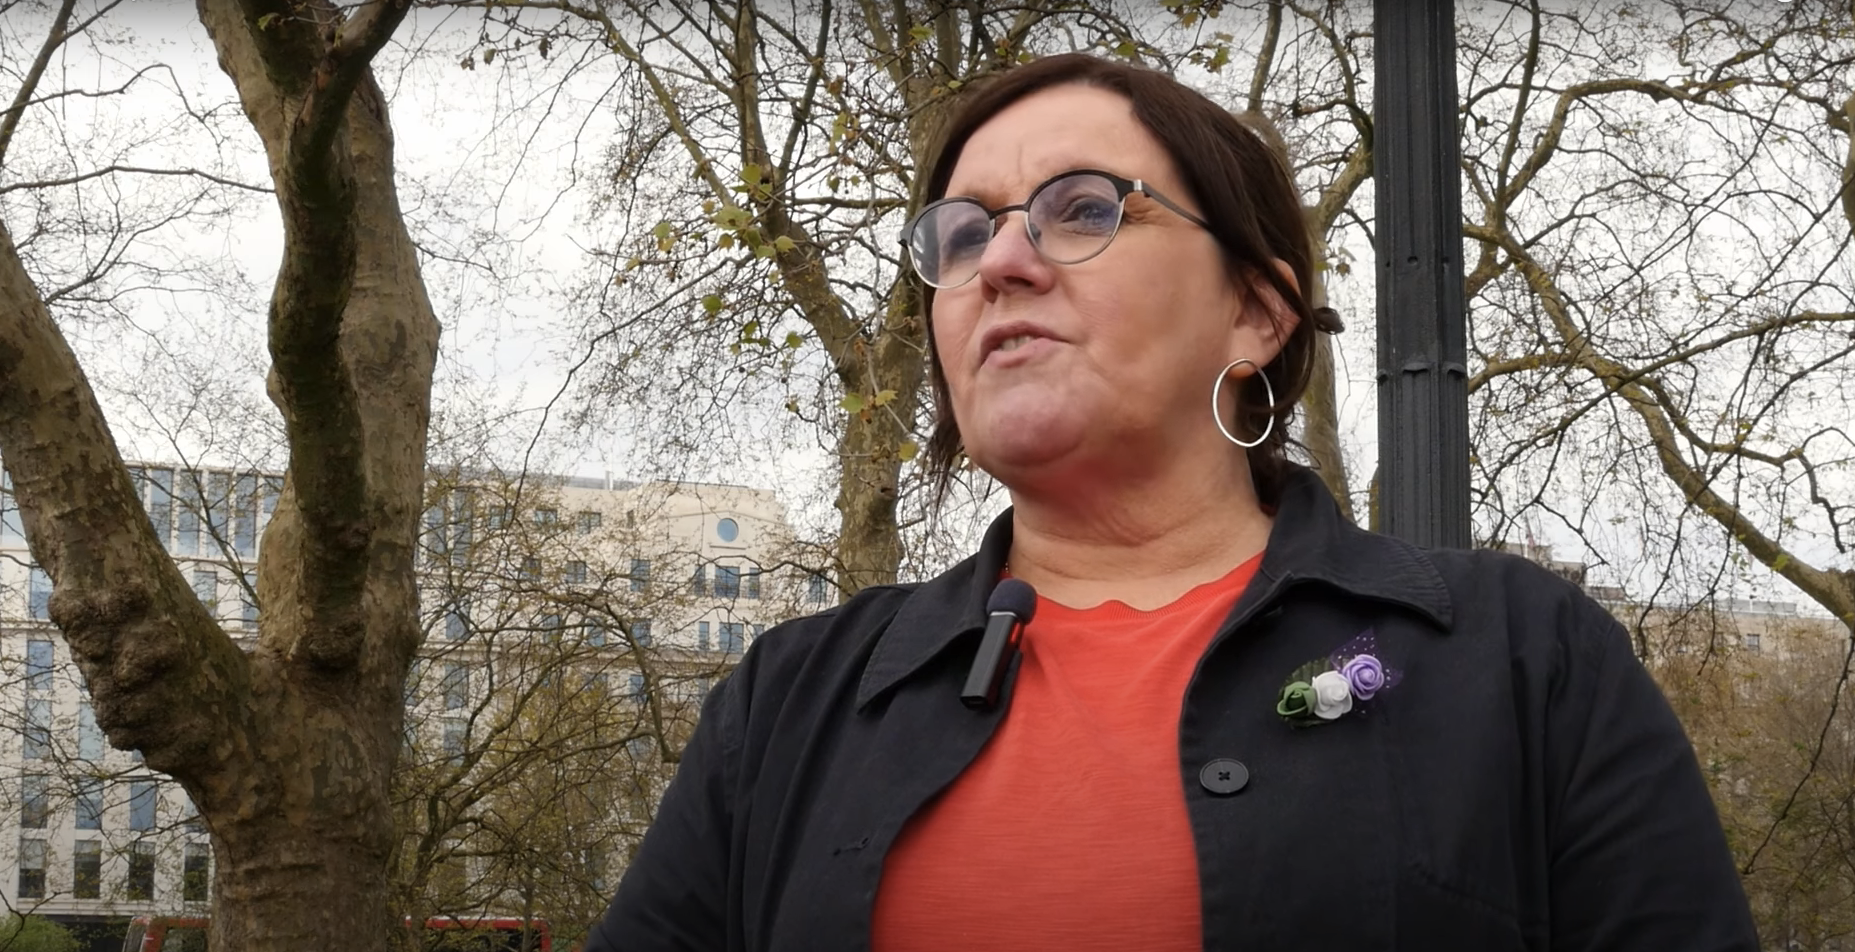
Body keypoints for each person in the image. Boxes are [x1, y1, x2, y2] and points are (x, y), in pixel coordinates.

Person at [584, 52, 1756, 952]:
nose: (998, 261)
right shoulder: (790, 702)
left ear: (1255, 312)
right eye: (958, 233)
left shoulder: (1521, 661)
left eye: (1083, 209)